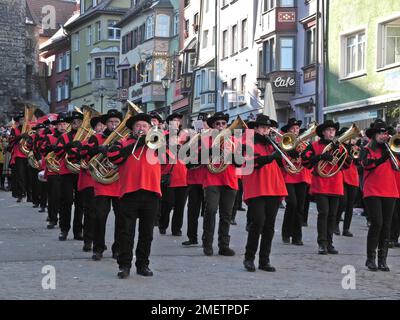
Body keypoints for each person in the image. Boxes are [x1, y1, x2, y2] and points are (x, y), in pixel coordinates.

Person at [107, 113, 161, 279]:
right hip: (129, 192)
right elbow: (113, 157)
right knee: (126, 232)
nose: (141, 128)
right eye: (138, 126)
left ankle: (143, 265)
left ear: (150, 128)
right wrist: (137, 143)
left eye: (145, 126)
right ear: (132, 128)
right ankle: (124, 265)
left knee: (147, 233)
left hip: (151, 192)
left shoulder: (157, 143)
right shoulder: (121, 143)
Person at [242, 114, 287, 272]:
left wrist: (288, 154)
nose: (266, 130)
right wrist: (270, 157)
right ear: (255, 128)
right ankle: (249, 258)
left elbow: (284, 165)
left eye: (268, 128)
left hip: (274, 187)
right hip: (257, 188)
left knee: (269, 226)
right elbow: (249, 162)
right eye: (263, 127)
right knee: (257, 223)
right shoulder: (248, 142)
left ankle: (264, 260)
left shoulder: (272, 144)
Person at [302, 120, 345, 255]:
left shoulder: (339, 147)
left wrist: (345, 154)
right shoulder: (314, 146)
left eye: (333, 130)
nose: (332, 132)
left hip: (335, 183)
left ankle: (330, 243)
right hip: (321, 184)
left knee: (333, 215)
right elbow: (305, 160)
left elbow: (347, 165)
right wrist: (321, 156)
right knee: (324, 213)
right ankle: (322, 243)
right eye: (329, 130)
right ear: (323, 132)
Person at [201, 112, 239, 256]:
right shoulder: (206, 140)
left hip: (230, 180)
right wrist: (212, 151)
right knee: (210, 210)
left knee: (226, 214)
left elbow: (241, 162)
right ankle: (207, 243)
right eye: (218, 124)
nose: (221, 126)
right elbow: (196, 159)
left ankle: (224, 245)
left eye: (223, 124)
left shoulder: (234, 140)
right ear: (213, 126)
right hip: (212, 180)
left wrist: (231, 154)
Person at [362, 120, 398, 271]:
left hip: (390, 191)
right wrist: (381, 159)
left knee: (387, 226)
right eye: (381, 133)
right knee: (377, 223)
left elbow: (397, 168)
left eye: (385, 134)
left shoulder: (391, 150)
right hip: (372, 191)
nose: (384, 136)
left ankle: (382, 260)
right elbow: (365, 164)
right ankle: (370, 259)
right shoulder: (367, 150)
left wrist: (393, 152)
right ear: (374, 135)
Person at [280, 118, 311, 246]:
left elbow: (308, 158)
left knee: (300, 207)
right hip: (288, 176)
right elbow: (280, 159)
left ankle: (297, 236)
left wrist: (302, 154)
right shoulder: (284, 142)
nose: (295, 130)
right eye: (292, 129)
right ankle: (286, 233)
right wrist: (288, 152)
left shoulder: (304, 143)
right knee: (292, 204)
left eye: (297, 128)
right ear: (288, 131)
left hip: (301, 176)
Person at [54, 111, 84, 241]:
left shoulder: (87, 137)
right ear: (71, 124)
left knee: (80, 203)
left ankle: (78, 231)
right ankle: (64, 229)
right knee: (66, 201)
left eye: (79, 122)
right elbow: (57, 153)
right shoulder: (64, 137)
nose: (76, 124)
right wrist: (68, 146)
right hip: (66, 172)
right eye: (74, 122)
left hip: (81, 172)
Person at [159, 129, 189, 236]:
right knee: (167, 205)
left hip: (184, 182)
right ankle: (162, 225)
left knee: (180, 207)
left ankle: (176, 229)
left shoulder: (185, 149)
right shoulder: (163, 150)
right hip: (169, 182)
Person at [334, 128, 360, 237]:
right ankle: (335, 224)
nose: (351, 139)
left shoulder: (356, 148)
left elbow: (358, 162)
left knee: (350, 205)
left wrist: (355, 152)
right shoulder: (339, 147)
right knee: (342, 203)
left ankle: (346, 228)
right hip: (343, 176)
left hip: (353, 177)